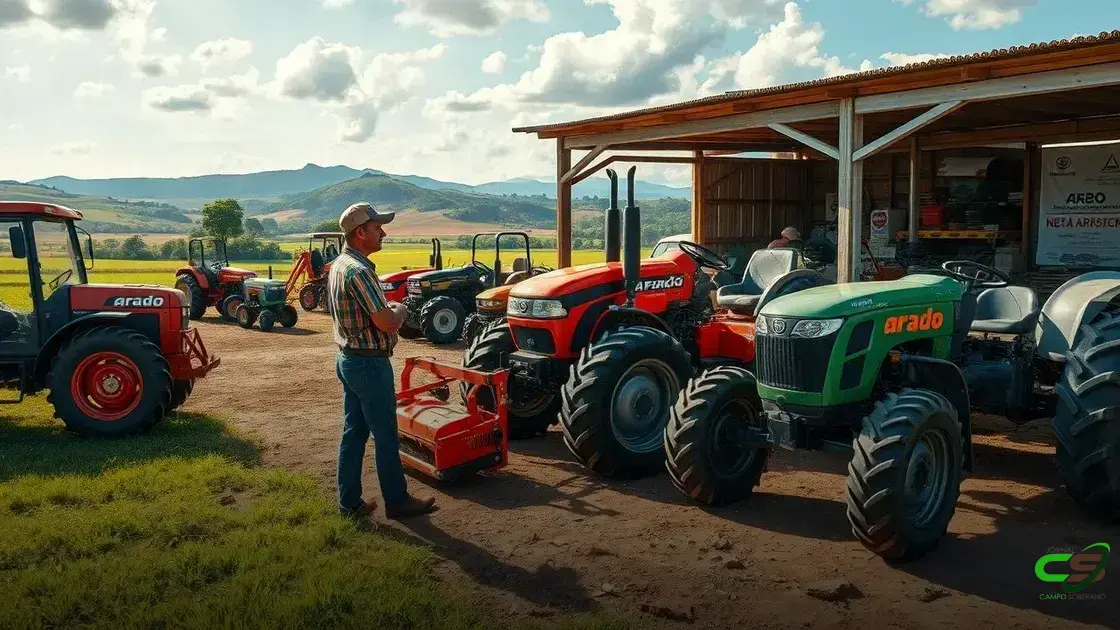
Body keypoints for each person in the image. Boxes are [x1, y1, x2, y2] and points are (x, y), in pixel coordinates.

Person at [329, 201, 436, 520]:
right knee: (387, 435)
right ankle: (397, 501)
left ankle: (349, 503)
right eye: (377, 228)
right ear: (360, 232)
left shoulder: (340, 265)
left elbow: (369, 313)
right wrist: (400, 309)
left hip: (348, 358)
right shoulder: (360, 271)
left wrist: (386, 309)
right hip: (368, 364)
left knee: (354, 432)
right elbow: (387, 323)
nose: (383, 232)